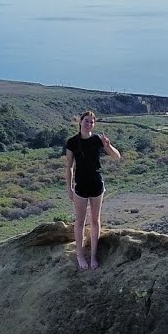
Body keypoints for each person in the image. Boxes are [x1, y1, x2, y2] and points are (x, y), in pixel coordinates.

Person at [65, 110, 122, 270]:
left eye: (92, 122)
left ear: (94, 124)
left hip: (96, 184)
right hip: (81, 185)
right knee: (80, 221)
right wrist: (69, 188)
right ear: (80, 122)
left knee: (95, 221)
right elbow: (69, 167)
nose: (89, 124)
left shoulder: (97, 139)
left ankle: (93, 256)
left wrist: (108, 145)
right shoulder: (72, 142)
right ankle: (80, 255)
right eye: (86, 121)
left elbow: (117, 157)